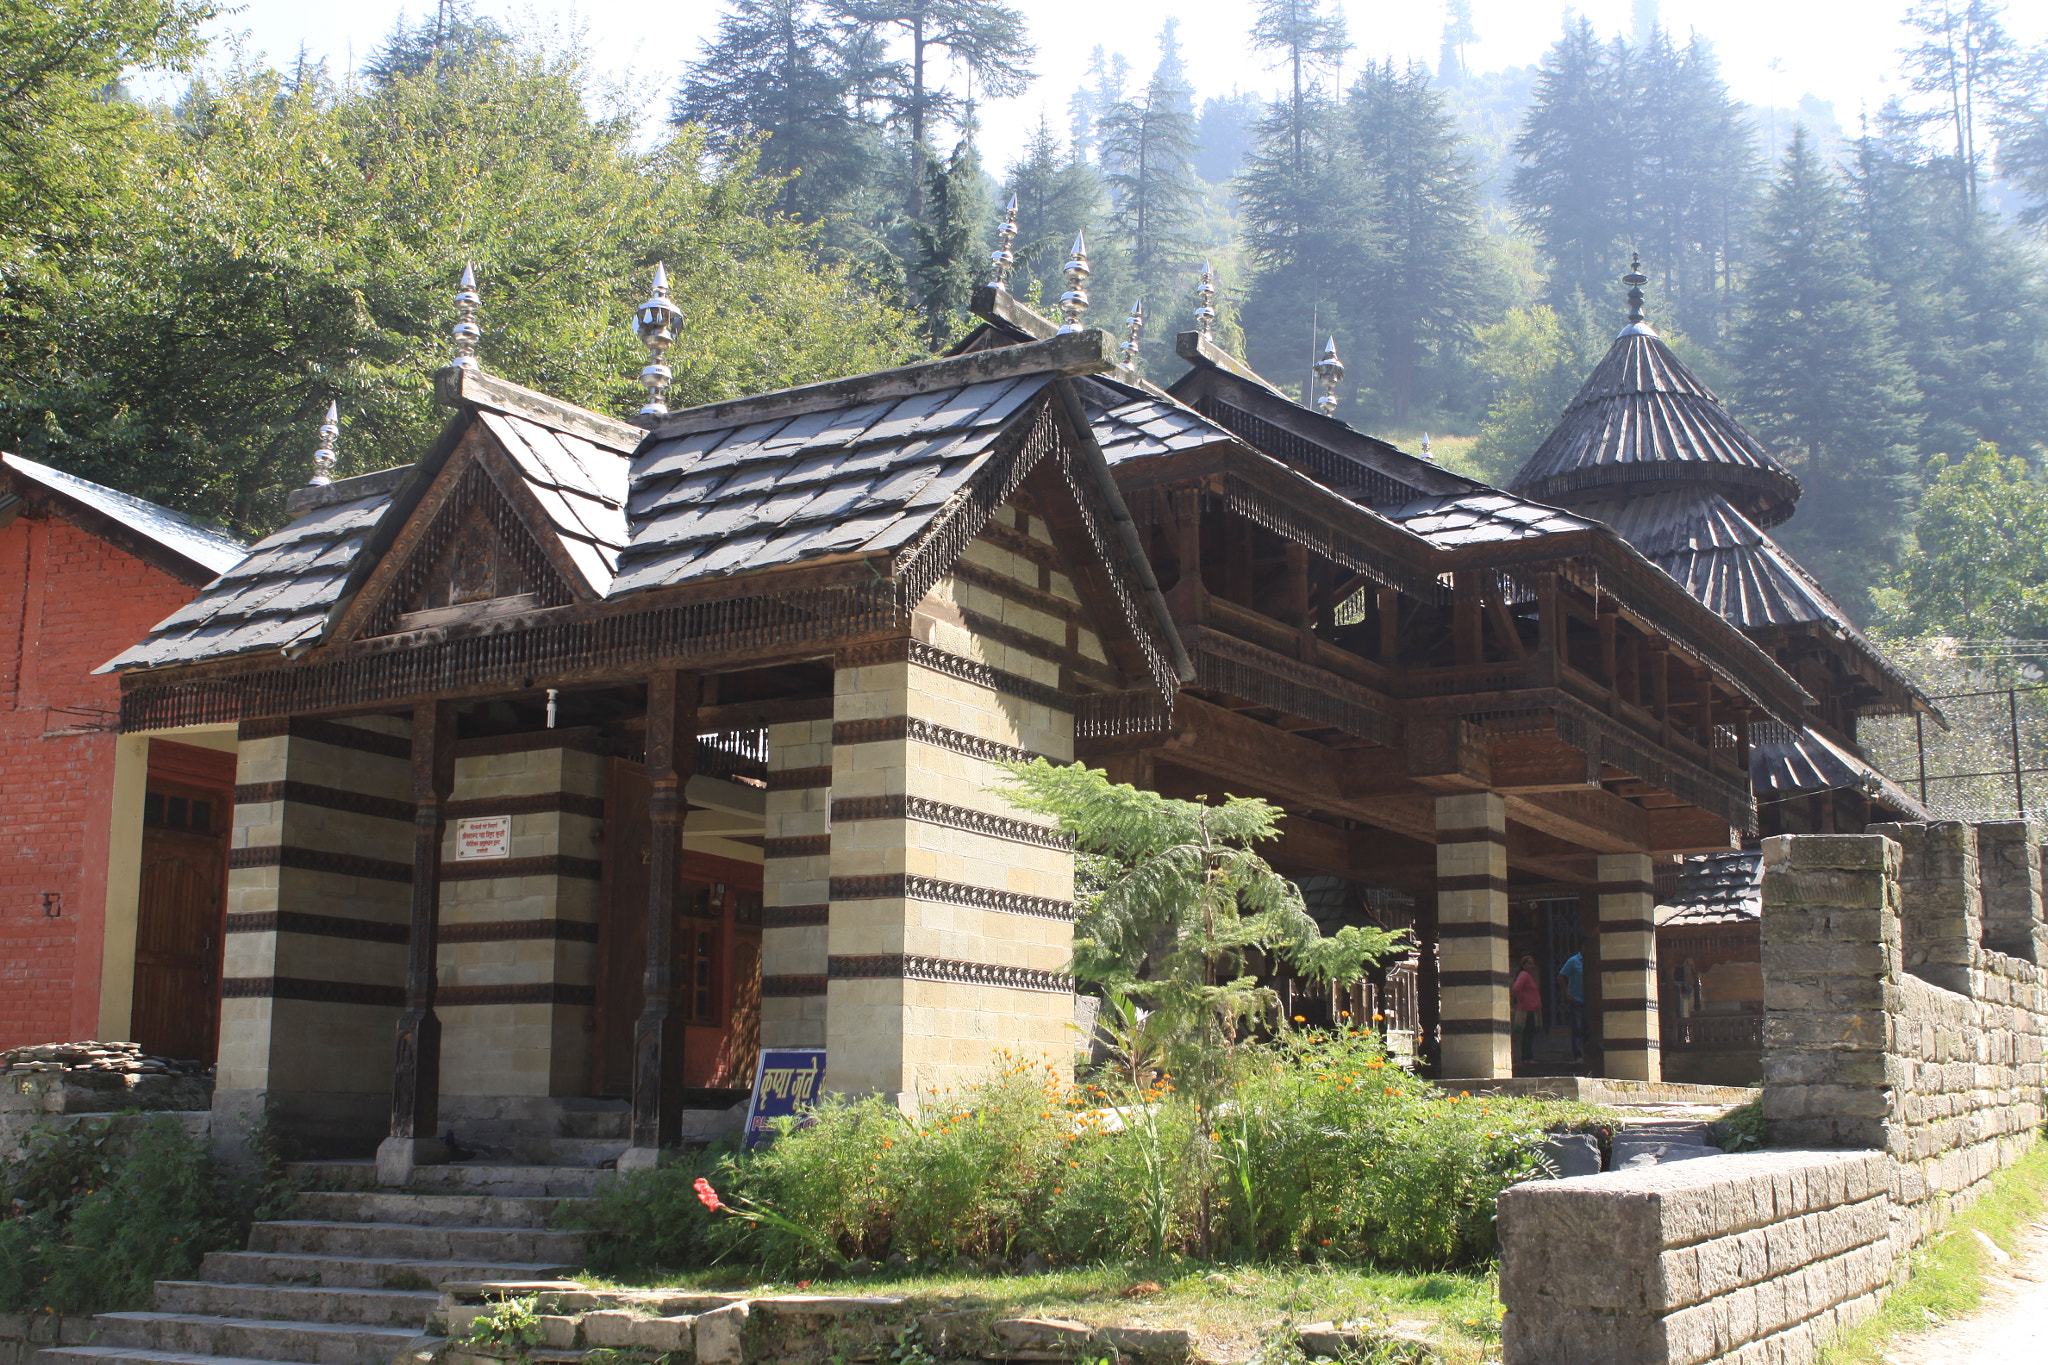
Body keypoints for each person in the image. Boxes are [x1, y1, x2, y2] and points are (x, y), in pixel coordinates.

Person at [1510, 956, 1544, 1063]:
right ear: (1523, 965)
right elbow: (1516, 988)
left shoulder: (1529, 976)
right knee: (1527, 1033)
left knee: (1529, 1033)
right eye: (1529, 963)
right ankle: (1527, 1057)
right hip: (1527, 1009)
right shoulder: (1524, 975)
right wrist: (1522, 999)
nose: (1532, 966)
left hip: (1532, 1009)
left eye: (1533, 963)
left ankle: (1528, 1056)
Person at [1557, 949, 1586, 1064]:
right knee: (1577, 1027)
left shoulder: (1593, 959)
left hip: (1590, 1001)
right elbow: (1560, 976)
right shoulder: (1573, 961)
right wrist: (1567, 992)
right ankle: (1578, 1055)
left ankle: (1588, 1053)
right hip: (1577, 1000)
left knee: (1588, 1028)